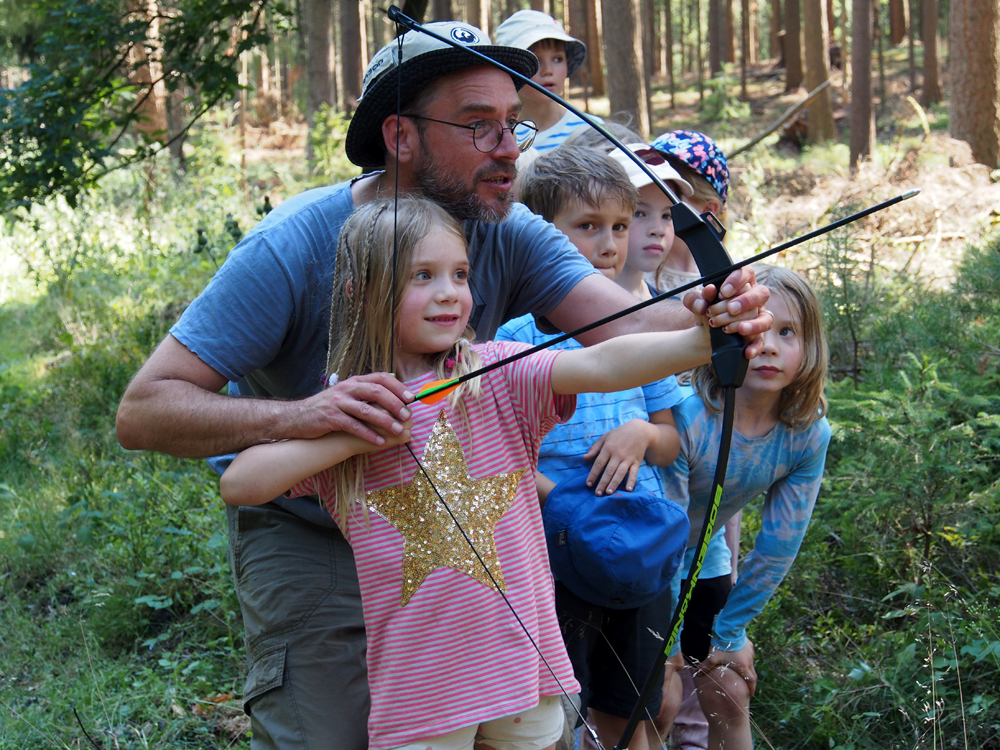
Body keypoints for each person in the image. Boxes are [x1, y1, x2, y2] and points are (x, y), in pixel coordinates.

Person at [115, 21, 771, 750]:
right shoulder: (293, 244)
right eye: (478, 125)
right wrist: (310, 416)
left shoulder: (505, 227)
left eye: (513, 123)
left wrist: (709, 316)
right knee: (329, 738)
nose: (508, 148)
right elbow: (145, 411)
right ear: (401, 136)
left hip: (471, 532)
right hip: (314, 524)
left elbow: (624, 331)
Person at [220, 196, 718, 750]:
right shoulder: (350, 408)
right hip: (422, 691)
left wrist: (702, 340)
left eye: (459, 274)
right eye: (422, 276)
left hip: (520, 668)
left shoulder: (497, 372)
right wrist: (350, 430)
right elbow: (242, 483)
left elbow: (603, 362)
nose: (448, 292)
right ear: (359, 293)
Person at [497, 145, 693, 750]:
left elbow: (672, 442)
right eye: (587, 227)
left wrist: (642, 433)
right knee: (555, 710)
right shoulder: (516, 340)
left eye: (619, 224)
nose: (610, 244)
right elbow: (504, 457)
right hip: (554, 554)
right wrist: (569, 507)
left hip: (636, 552)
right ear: (535, 237)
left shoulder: (643, 328)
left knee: (634, 710)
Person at [657, 265, 832, 750]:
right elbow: (666, 533)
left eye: (787, 332)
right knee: (659, 697)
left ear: (809, 346)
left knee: (730, 689)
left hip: (704, 552)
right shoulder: (689, 417)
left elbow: (778, 546)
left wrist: (729, 633)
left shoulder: (807, 435)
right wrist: (669, 648)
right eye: (755, 329)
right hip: (647, 555)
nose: (770, 346)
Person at [645, 129, 740, 750]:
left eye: (676, 198)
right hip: (659, 480)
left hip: (713, 482)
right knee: (659, 662)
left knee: (705, 617)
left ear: (706, 210)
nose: (662, 216)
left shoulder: (723, 282)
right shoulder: (640, 279)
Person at [494, 10, 597, 156]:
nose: (548, 71)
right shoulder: (494, 139)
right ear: (507, 68)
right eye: (534, 61)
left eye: (557, 59)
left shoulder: (593, 132)